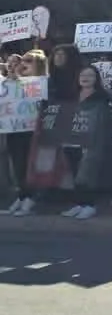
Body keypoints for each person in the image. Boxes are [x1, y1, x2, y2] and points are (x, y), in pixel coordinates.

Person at [60, 65, 112, 221]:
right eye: (82, 75)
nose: (85, 78)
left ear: (96, 79)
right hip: (71, 141)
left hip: (92, 142)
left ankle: (89, 205)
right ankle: (78, 203)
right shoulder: (72, 96)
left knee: (88, 174)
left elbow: (104, 123)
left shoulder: (102, 97)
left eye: (90, 75)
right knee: (75, 173)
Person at [3, 49, 48, 217]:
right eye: (24, 60)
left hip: (33, 131)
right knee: (17, 164)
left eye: (29, 61)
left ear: (39, 65)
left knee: (30, 164)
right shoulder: (13, 82)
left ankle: (31, 197)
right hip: (14, 129)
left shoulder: (43, 83)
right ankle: (22, 196)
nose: (24, 63)